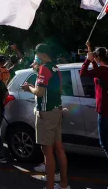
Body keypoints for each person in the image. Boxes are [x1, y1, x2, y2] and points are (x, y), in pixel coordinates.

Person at [21, 44, 69, 189]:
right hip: (56, 110)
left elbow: (40, 92)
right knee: (59, 148)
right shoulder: (55, 68)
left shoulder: (45, 68)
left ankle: (50, 186)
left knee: (47, 152)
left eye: (37, 54)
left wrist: (28, 88)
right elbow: (59, 89)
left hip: (46, 113)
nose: (36, 57)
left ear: (42, 54)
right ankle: (63, 184)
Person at [80, 43, 108, 188]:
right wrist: (90, 50)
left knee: (105, 144)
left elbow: (83, 74)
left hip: (106, 112)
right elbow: (97, 73)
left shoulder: (102, 70)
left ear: (96, 57)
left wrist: (87, 61)